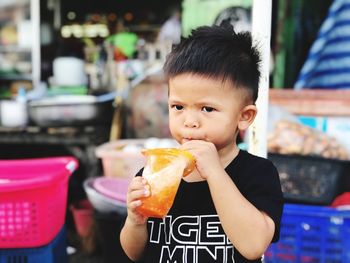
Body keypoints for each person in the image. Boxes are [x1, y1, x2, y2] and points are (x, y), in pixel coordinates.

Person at [120, 23, 284, 263]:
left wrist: (215, 172)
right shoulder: (157, 172)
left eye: (207, 109)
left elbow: (253, 246)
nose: (190, 121)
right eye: (178, 107)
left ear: (243, 116)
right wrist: (134, 221)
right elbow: (135, 253)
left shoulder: (258, 173)